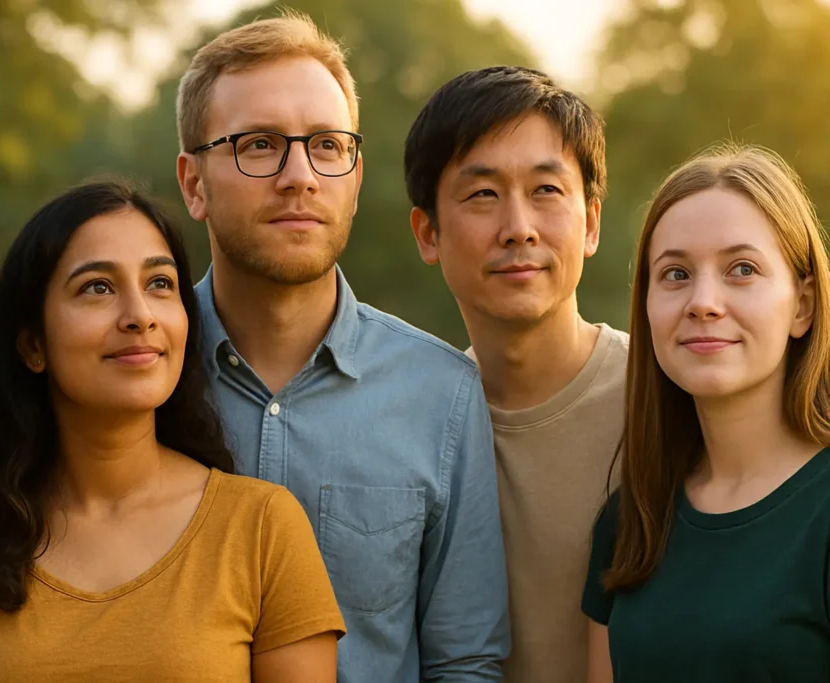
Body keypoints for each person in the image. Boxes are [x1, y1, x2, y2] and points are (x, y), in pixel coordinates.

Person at [0, 180, 345, 682]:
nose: (139, 316)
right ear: (32, 345)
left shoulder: (263, 528)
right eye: (98, 288)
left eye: (159, 284)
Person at [175, 12, 508, 682]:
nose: (299, 175)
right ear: (193, 183)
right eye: (259, 144)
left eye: (327, 146)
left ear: (354, 181)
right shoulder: (135, 371)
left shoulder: (440, 395)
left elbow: (465, 661)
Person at [404, 66, 627, 683]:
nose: (518, 228)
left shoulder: (672, 399)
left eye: (547, 191)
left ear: (592, 223)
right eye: (482, 194)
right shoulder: (409, 428)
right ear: (428, 232)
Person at [581, 144, 830, 682]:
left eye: (742, 269)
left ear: (803, 305)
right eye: (675, 274)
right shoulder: (632, 520)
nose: (704, 302)